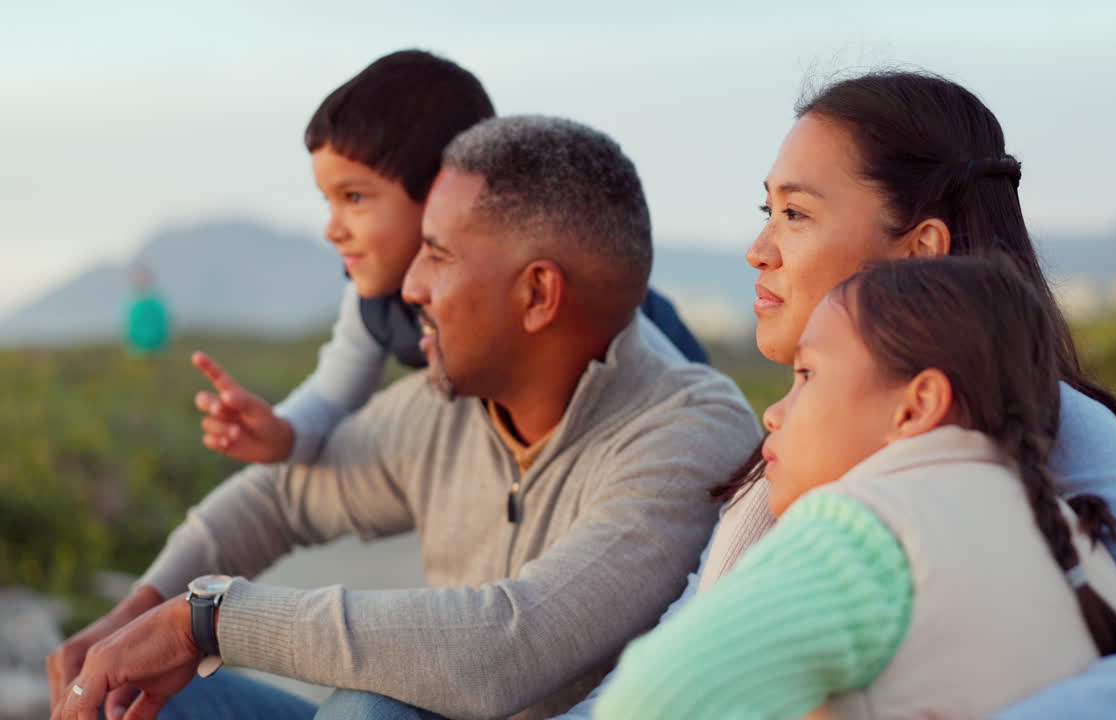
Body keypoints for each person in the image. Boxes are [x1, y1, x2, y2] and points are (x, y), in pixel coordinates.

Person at [562, 71, 1116, 718]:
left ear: (918, 252)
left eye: (796, 214)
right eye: (767, 209)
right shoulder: (813, 438)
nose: (759, 248)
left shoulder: (1045, 421)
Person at [45, 115, 760, 720]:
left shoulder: (689, 433)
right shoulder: (447, 406)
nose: (409, 285)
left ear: (538, 294)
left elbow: (509, 645)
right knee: (133, 690)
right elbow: (275, 500)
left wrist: (207, 620)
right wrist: (135, 615)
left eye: (439, 255)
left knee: (372, 710)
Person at [597, 256, 1116, 718]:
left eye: (807, 375)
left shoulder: (868, 529)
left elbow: (648, 699)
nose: (774, 413)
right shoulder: (1076, 539)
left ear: (918, 405)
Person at [189, 49, 707, 466]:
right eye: (328, 200)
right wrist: (281, 434)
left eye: (356, 198)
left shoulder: (569, 298)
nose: (332, 229)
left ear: (445, 188)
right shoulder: (375, 305)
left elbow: (686, 405)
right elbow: (331, 397)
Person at [123, 264, 169, 355]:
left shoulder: (156, 304)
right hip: (137, 353)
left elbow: (163, 326)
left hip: (157, 352)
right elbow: (128, 329)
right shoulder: (132, 305)